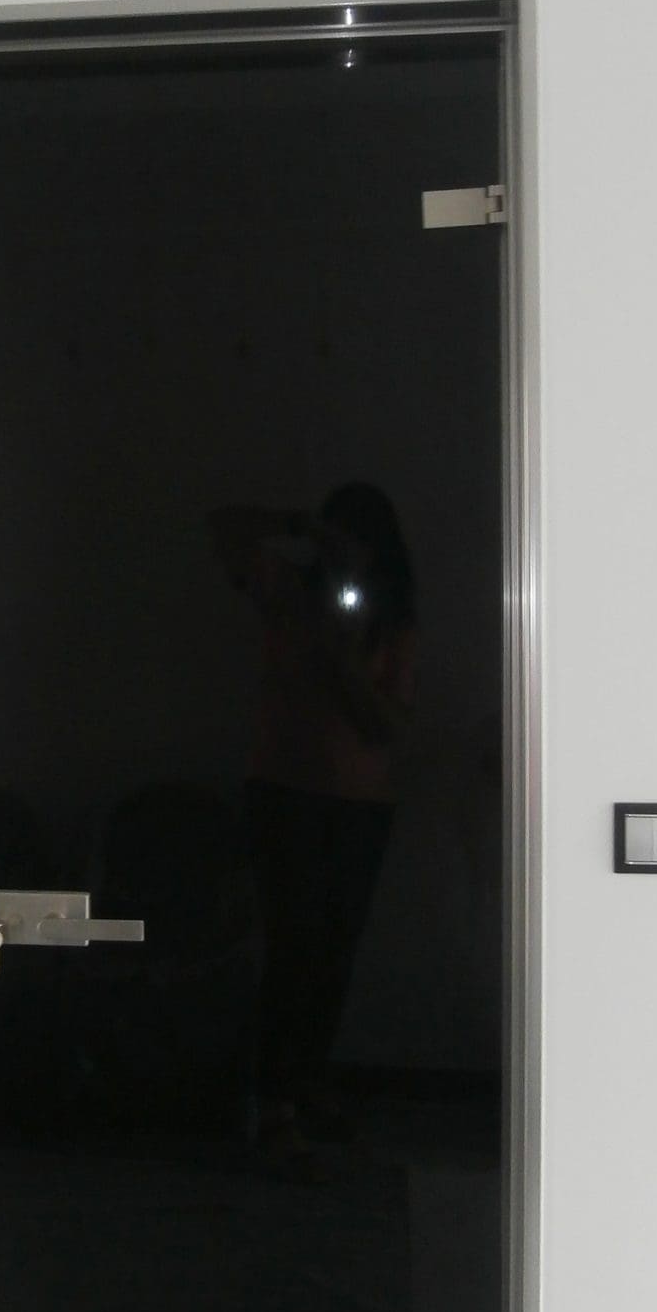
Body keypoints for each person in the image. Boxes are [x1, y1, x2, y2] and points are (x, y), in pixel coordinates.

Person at [210, 483, 418, 1177]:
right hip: (285, 794)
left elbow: (388, 724)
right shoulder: (291, 591)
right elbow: (223, 526)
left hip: (360, 805)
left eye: (360, 538)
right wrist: (301, 526)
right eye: (341, 535)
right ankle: (275, 1102)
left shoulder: (392, 619)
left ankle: (305, 1085)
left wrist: (343, 661)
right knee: (292, 948)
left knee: (334, 954)